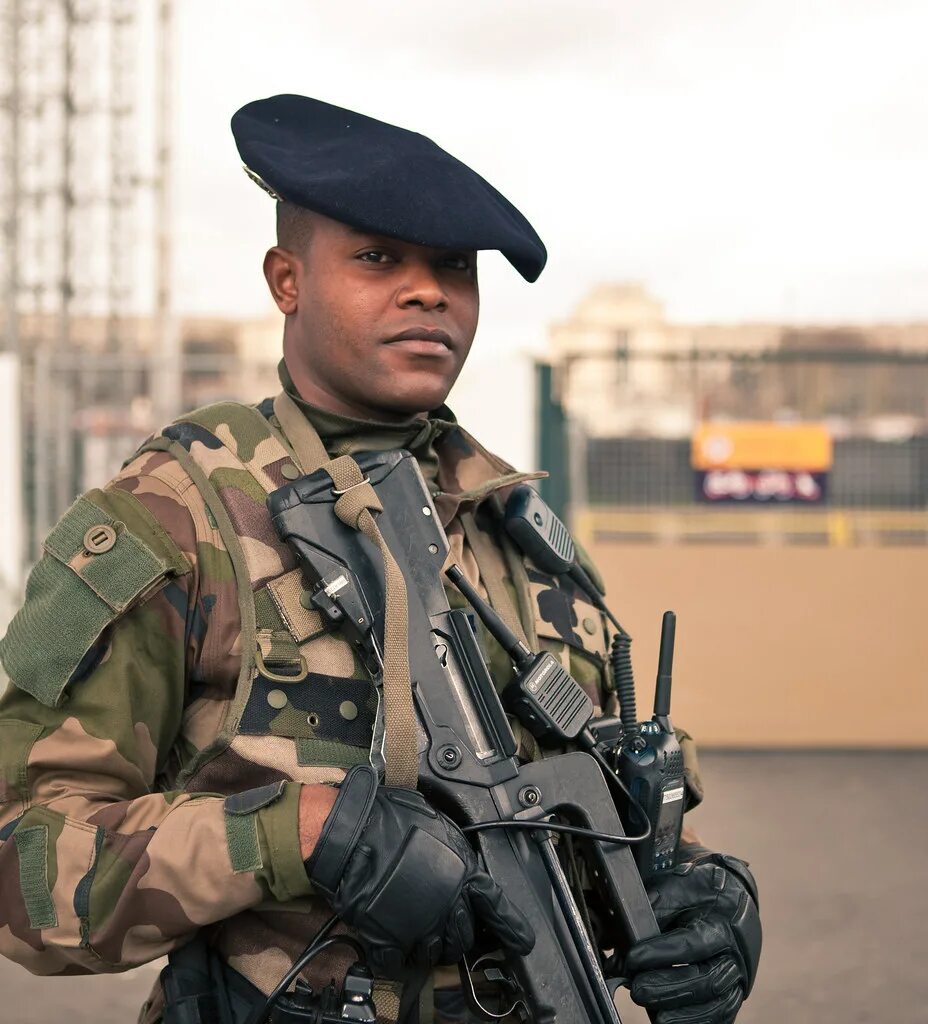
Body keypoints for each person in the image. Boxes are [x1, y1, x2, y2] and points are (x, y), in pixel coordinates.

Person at [0, 94, 760, 1024]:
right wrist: (298, 836)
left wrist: (707, 903)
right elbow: (24, 867)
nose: (427, 291)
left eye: (452, 266)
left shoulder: (516, 534)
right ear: (286, 279)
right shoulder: (180, 512)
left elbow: (616, 817)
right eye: (376, 258)